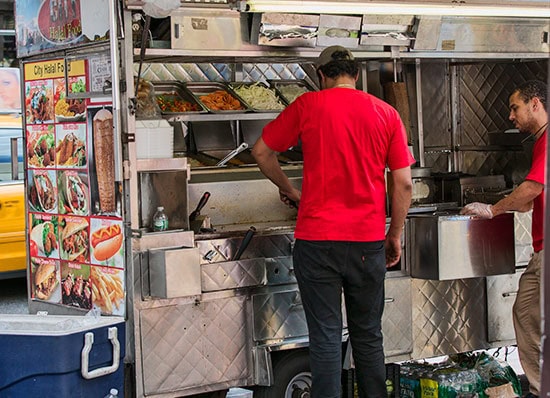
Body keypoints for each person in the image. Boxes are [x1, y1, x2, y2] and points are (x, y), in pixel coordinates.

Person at [251, 45, 414, 397]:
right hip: (367, 243)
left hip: (317, 242)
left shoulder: (308, 106)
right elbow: (403, 182)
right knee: (368, 336)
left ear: (321, 75)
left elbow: (261, 151)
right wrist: (395, 234)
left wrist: (291, 190)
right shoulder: (386, 113)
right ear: (355, 75)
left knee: (325, 338)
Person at [461, 80, 547, 398]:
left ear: (535, 104)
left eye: (515, 107)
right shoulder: (539, 142)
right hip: (541, 252)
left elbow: (532, 188)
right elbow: (526, 201)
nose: (511, 116)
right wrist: (499, 205)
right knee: (525, 312)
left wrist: (492, 209)